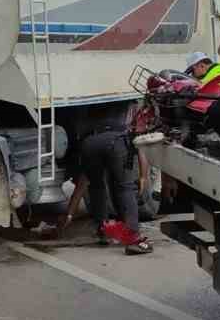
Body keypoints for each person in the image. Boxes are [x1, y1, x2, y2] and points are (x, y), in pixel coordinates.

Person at [57, 104, 151, 255]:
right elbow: (141, 149)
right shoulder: (131, 108)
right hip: (117, 140)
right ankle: (134, 240)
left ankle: (103, 231)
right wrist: (143, 177)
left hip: (89, 143)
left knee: (96, 187)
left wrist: (69, 213)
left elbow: (83, 182)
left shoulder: (92, 108)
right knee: (125, 188)